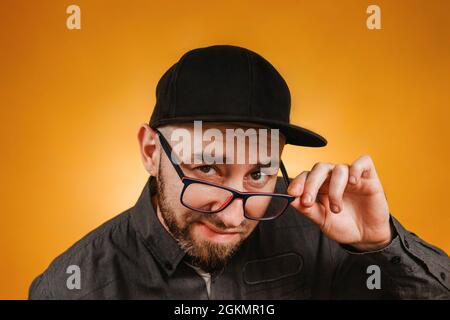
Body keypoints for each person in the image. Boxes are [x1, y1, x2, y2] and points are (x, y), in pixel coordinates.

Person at [29, 45, 449, 299]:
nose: (233, 217)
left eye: (259, 174)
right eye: (208, 168)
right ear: (151, 150)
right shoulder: (72, 285)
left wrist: (382, 244)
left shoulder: (328, 241)